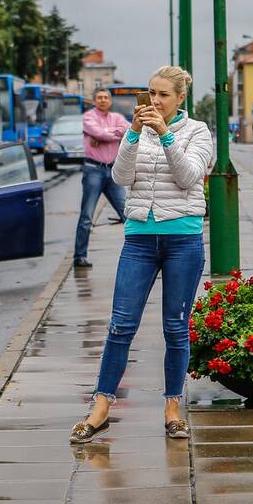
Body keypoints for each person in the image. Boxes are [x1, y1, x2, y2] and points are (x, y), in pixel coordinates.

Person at [69, 66, 212, 444]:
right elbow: (120, 178)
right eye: (152, 92)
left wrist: (165, 134)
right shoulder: (136, 131)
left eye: (164, 94)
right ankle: (101, 407)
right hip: (139, 240)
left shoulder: (197, 131)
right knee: (120, 325)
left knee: (175, 328)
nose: (156, 100)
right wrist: (133, 133)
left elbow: (188, 176)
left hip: (183, 239)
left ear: (181, 98)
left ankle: (172, 407)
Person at [73, 87, 130, 268]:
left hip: (113, 172)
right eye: (99, 97)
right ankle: (79, 257)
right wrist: (111, 135)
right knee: (87, 216)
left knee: (127, 214)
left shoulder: (117, 118)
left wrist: (106, 135)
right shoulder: (89, 117)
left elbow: (127, 130)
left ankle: (141, 254)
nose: (103, 100)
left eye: (106, 97)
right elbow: (97, 132)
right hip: (93, 170)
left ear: (110, 101)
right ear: (94, 100)